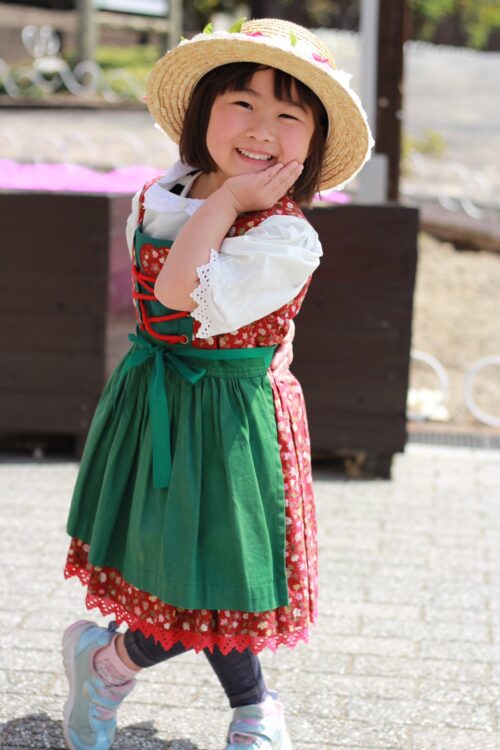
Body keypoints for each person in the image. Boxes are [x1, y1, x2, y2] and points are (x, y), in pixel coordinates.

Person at [61, 17, 372, 750]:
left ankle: (113, 666)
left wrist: (230, 206)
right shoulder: (167, 192)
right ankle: (236, 700)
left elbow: (181, 292)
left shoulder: (286, 235)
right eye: (242, 103)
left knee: (229, 574)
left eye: (289, 115)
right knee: (183, 570)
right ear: (204, 112)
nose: (261, 128)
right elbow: (167, 299)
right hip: (159, 405)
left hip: (234, 423)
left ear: (312, 144)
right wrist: (224, 202)